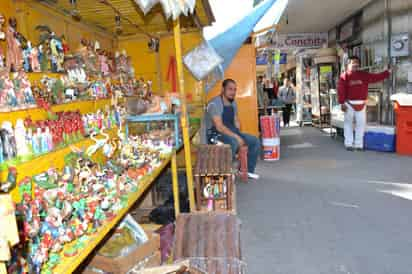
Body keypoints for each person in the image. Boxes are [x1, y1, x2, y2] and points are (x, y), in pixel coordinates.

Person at [206, 79, 261, 180]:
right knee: (233, 143)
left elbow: (236, 120)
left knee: (254, 141)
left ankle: (246, 170)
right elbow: (219, 126)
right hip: (215, 135)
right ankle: (225, 173)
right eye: (230, 89)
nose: (233, 92)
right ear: (223, 89)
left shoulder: (233, 103)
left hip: (230, 132)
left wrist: (239, 132)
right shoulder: (214, 104)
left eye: (235, 90)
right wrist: (237, 137)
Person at [338, 56, 390, 151]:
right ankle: (348, 144)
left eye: (357, 63)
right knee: (348, 124)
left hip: (361, 103)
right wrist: (342, 103)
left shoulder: (364, 75)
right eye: (353, 62)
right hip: (348, 103)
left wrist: (387, 73)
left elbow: (376, 77)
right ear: (348, 64)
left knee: (361, 124)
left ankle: (359, 145)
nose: (355, 64)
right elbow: (341, 90)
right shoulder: (344, 76)